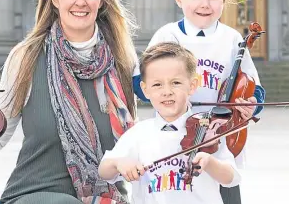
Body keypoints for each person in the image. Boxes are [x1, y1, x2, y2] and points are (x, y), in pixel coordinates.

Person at [0, 0, 139, 204]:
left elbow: (140, 139)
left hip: (105, 197)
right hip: (34, 194)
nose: (80, 1)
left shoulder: (122, 59)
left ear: (101, 0)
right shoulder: (26, 56)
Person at [145, 0, 265, 203]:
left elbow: (253, 89)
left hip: (221, 141)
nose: (205, 4)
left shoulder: (233, 39)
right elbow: (140, 85)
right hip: (175, 137)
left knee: (227, 193)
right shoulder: (167, 36)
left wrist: (251, 105)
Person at [99, 42, 241, 204]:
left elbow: (231, 178)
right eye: (157, 84)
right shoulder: (139, 133)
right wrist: (119, 163)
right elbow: (104, 171)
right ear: (145, 90)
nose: (167, 91)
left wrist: (209, 162)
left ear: (192, 85)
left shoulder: (208, 131)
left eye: (176, 83)